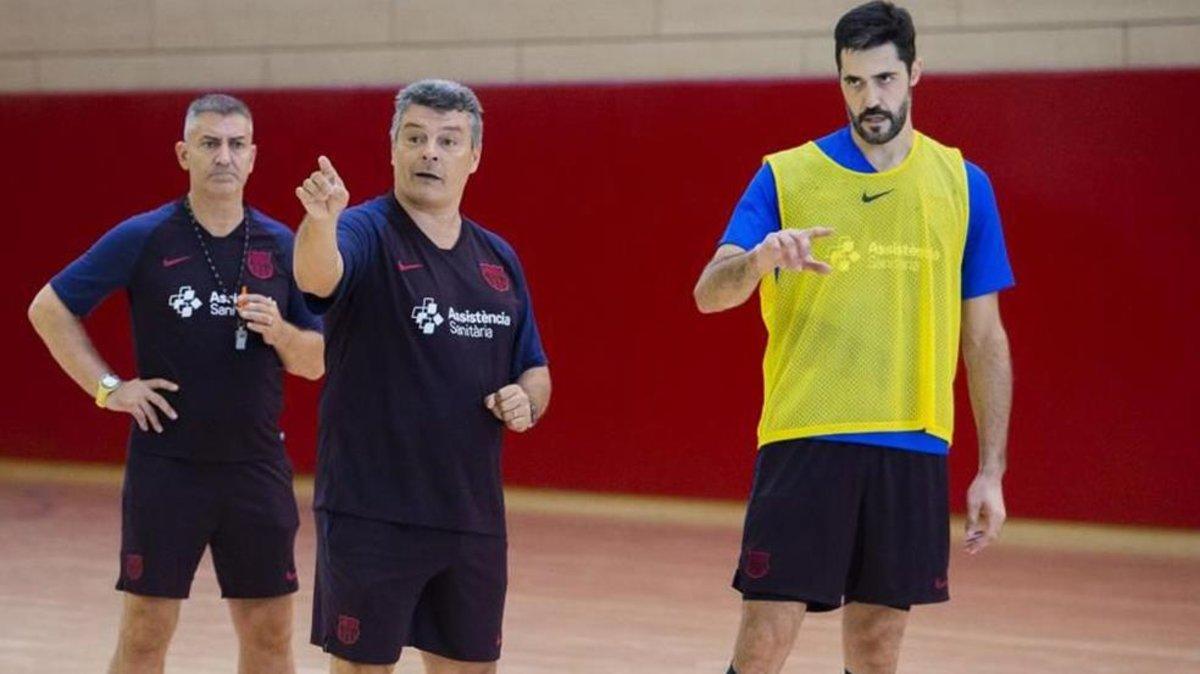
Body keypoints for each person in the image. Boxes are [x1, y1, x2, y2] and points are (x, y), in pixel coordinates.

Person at [692, 3, 1015, 673]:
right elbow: (709, 293)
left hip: (914, 443)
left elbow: (984, 339)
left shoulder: (963, 184)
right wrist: (756, 261)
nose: (871, 99)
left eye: (885, 80)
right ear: (839, 81)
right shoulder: (786, 175)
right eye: (854, 82)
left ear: (915, 72)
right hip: (807, 438)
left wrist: (991, 468)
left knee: (876, 650)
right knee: (763, 645)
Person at [27, 93, 324, 674]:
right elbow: (49, 308)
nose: (224, 156)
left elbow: (315, 360)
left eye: (237, 144)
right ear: (184, 153)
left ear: (254, 157)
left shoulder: (283, 245)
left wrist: (280, 331)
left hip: (255, 467)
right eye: (210, 144)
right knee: (146, 632)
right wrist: (110, 388)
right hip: (167, 467)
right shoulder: (145, 237)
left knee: (269, 635)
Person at [292, 79, 551, 674]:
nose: (429, 151)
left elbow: (534, 366)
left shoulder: (497, 259)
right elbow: (318, 278)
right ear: (393, 148)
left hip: (470, 516)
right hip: (371, 514)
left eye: (446, 140)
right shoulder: (362, 231)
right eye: (415, 137)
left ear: (473, 157)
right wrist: (320, 222)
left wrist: (526, 400)